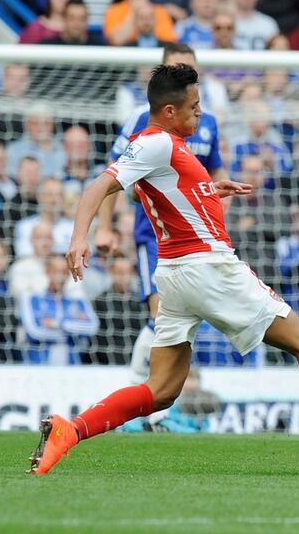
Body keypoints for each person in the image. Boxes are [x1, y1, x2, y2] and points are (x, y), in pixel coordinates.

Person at [28, 63, 299, 475]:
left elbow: (161, 195)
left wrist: (208, 189)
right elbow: (99, 185)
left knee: (162, 390)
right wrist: (80, 237)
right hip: (207, 266)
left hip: (173, 274)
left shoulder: (165, 145)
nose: (200, 115)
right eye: (194, 107)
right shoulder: (156, 143)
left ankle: (70, 430)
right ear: (169, 111)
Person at [95, 45, 225, 385]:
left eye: (191, 71)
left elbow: (214, 173)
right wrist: (104, 228)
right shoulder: (143, 118)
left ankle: (155, 400)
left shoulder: (207, 122)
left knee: (180, 323)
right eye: (176, 69)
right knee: (161, 318)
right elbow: (113, 174)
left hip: (197, 241)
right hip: (155, 237)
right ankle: (140, 395)